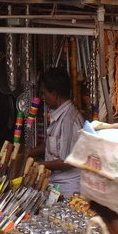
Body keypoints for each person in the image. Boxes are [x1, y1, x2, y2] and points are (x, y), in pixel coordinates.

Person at [29, 68, 84, 198]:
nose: (43, 98)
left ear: (54, 94)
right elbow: (50, 144)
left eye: (44, 94)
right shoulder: (59, 115)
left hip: (68, 188)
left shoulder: (69, 121)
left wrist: (38, 165)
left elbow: (68, 161)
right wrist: (29, 153)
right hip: (56, 183)